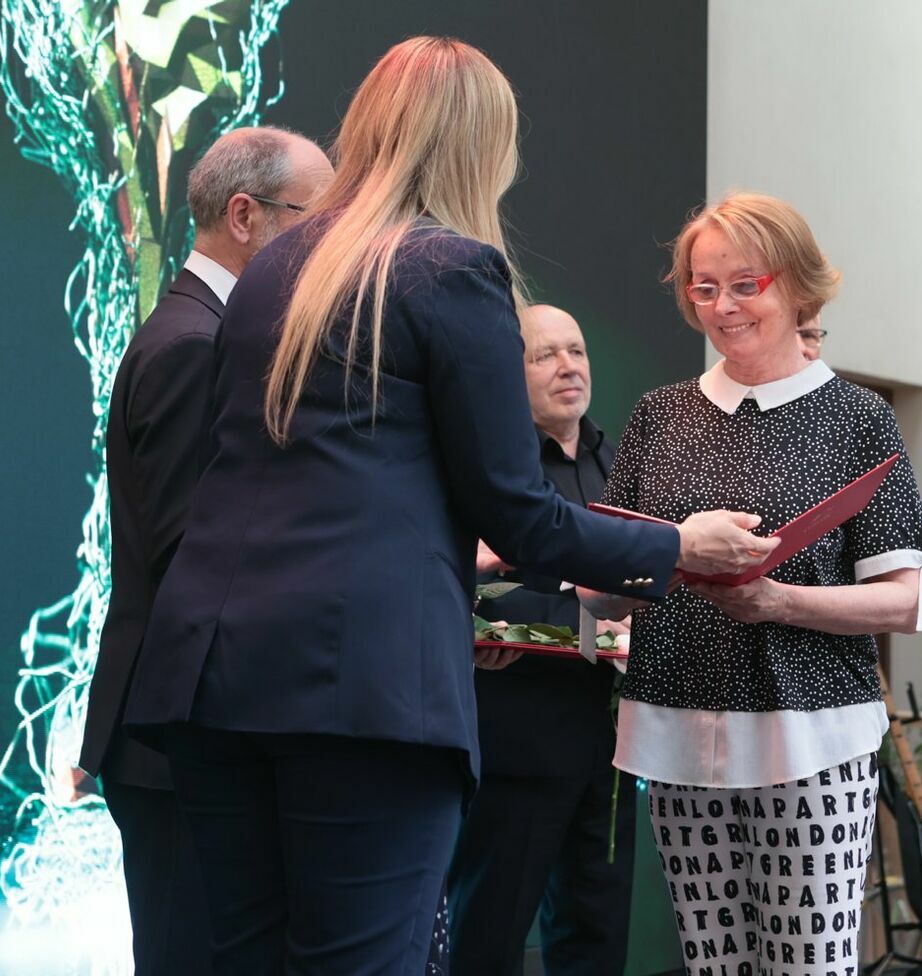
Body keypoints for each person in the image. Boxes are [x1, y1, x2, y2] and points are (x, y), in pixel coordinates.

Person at [121, 37, 770, 976]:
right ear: (479, 148)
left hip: (215, 683)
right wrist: (676, 546)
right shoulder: (451, 268)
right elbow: (519, 513)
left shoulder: (271, 265)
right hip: (359, 691)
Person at [582, 192, 922, 976]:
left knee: (809, 965)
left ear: (797, 287)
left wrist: (776, 600)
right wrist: (653, 559)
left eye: (744, 285)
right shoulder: (660, 415)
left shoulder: (857, 417)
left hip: (812, 734)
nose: (722, 306)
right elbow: (600, 592)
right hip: (679, 727)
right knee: (714, 964)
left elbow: (907, 597)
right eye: (704, 287)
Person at [78, 126, 332, 976]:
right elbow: (197, 554)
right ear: (245, 216)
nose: (329, 244)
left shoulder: (203, 329)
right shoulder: (197, 344)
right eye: (315, 218)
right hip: (178, 737)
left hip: (185, 731)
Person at [449, 304, 638, 976]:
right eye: (544, 355)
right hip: (517, 743)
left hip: (611, 749)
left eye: (577, 351)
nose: (568, 366)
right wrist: (587, 615)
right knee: (487, 934)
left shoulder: (621, 464)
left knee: (598, 936)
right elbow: (472, 590)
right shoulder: (488, 470)